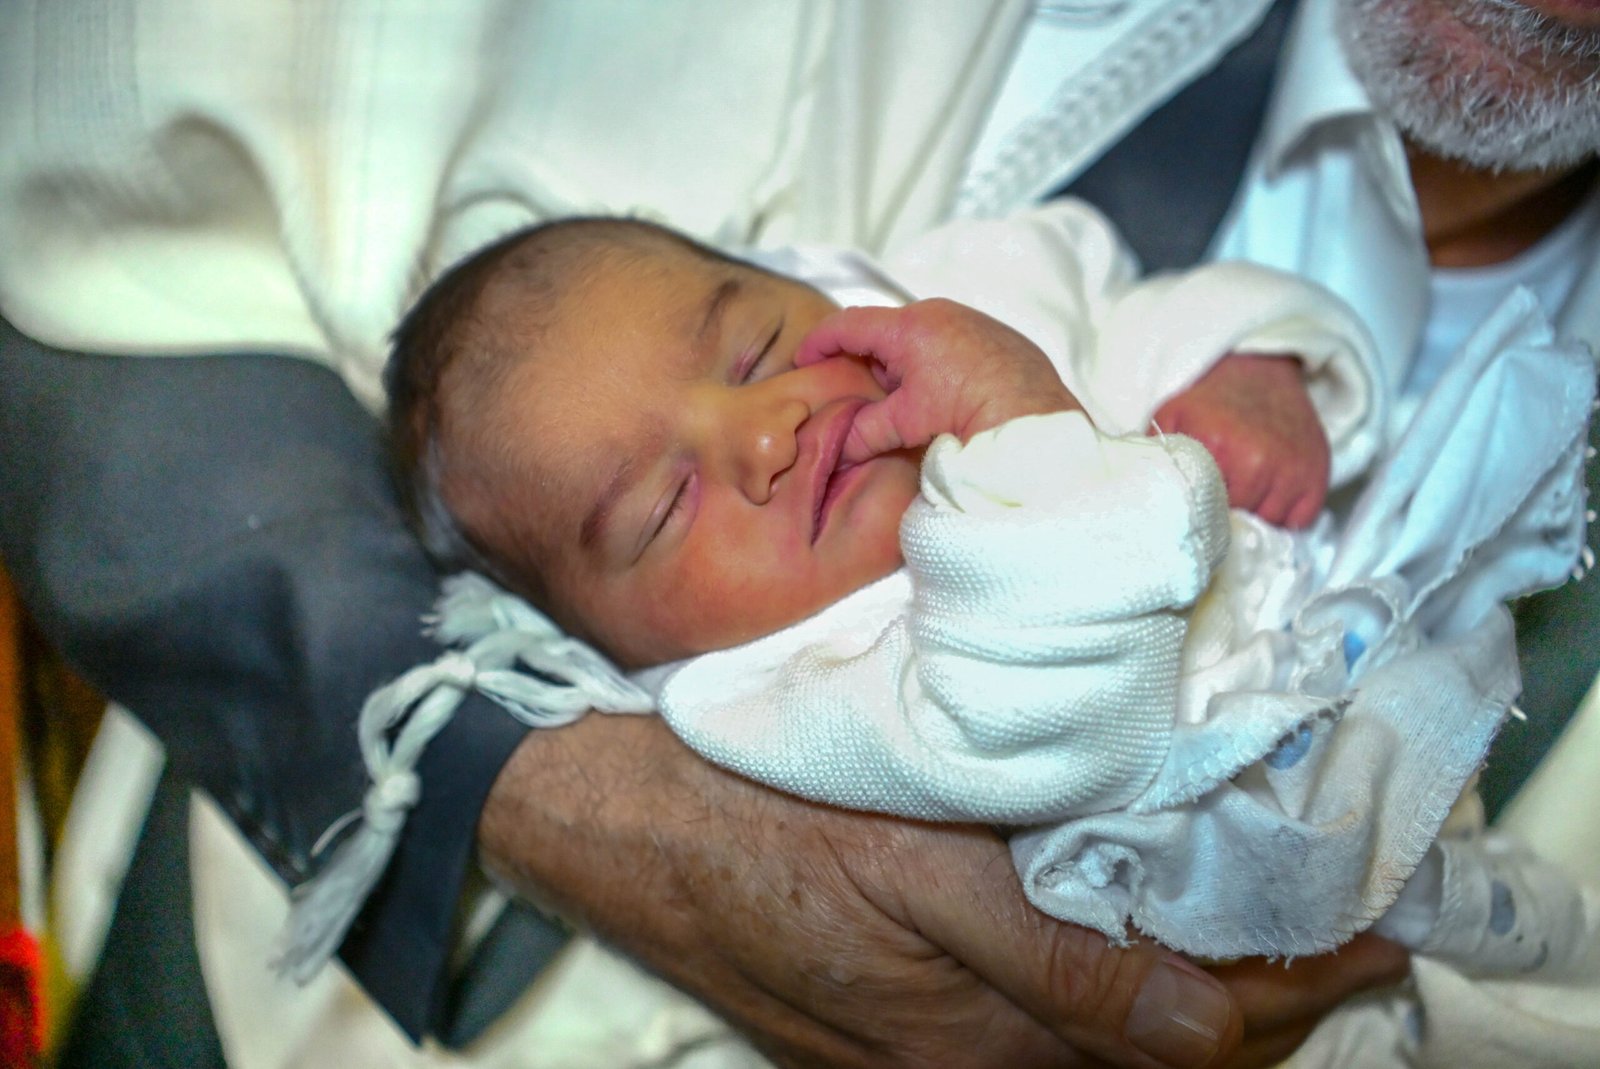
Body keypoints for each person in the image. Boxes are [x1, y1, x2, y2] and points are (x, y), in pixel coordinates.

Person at [0, 0, 1591, 1065]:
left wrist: (1272, 364)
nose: (767, 428)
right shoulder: (776, 696)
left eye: (763, 344)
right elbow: (1051, 702)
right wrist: (1023, 429)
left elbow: (1120, 293)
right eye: (661, 505)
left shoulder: (940, 300)